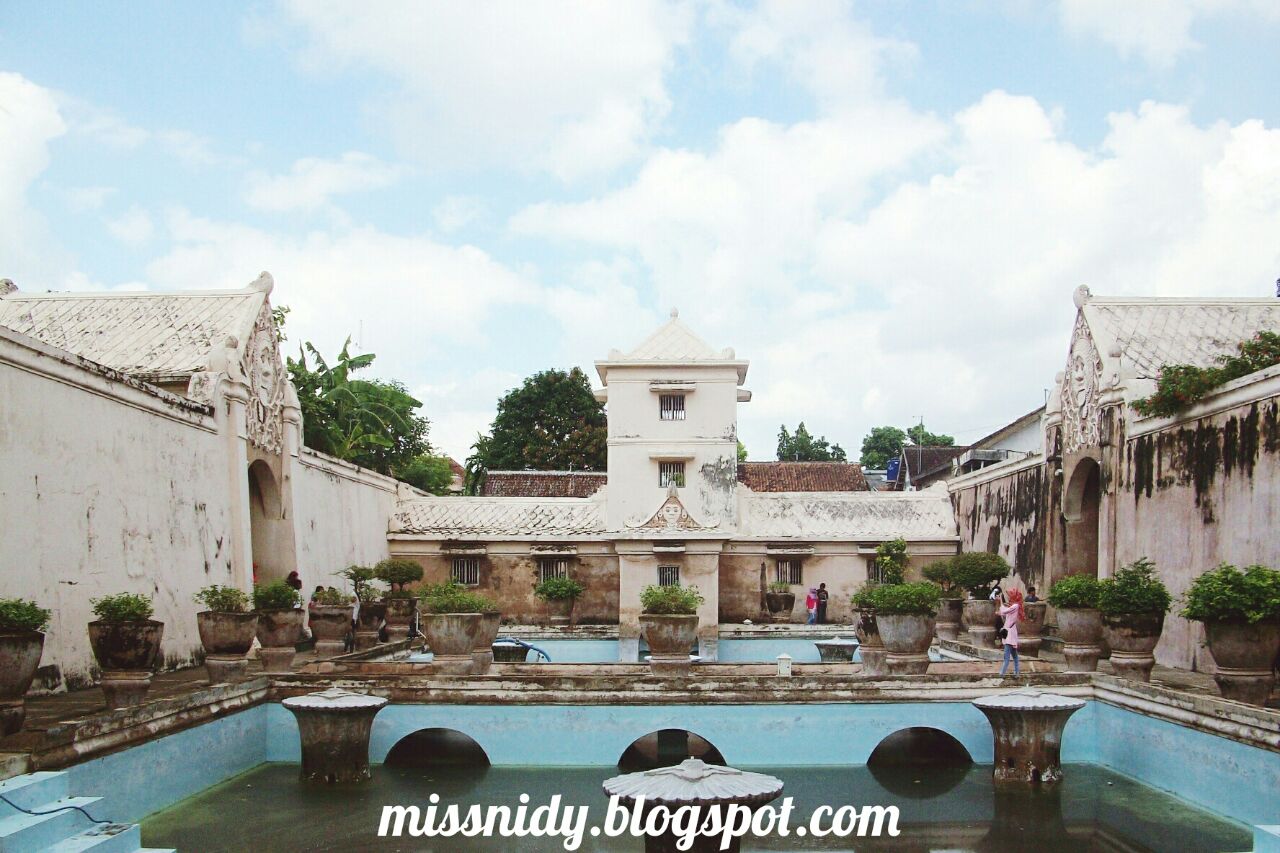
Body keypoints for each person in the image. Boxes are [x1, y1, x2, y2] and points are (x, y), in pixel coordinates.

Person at [998, 588, 1025, 677]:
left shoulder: (1015, 606)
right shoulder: (1014, 606)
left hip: (1010, 633)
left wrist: (1001, 601)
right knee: (1014, 655)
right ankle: (1017, 673)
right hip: (1009, 632)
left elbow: (1004, 611)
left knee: (1007, 656)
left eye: (1010, 595)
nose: (1009, 597)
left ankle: (1002, 673)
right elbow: (1004, 612)